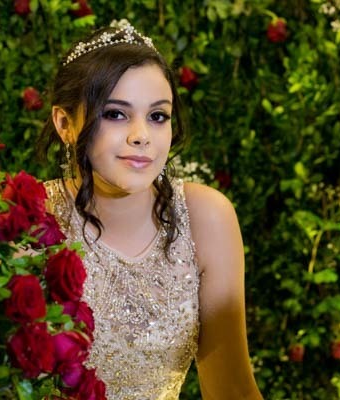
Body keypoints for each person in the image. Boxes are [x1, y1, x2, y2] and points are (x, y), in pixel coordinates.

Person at [40, 19, 263, 400]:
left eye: (158, 116)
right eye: (116, 114)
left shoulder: (207, 218)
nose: (141, 135)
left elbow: (231, 389)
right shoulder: (28, 218)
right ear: (65, 123)